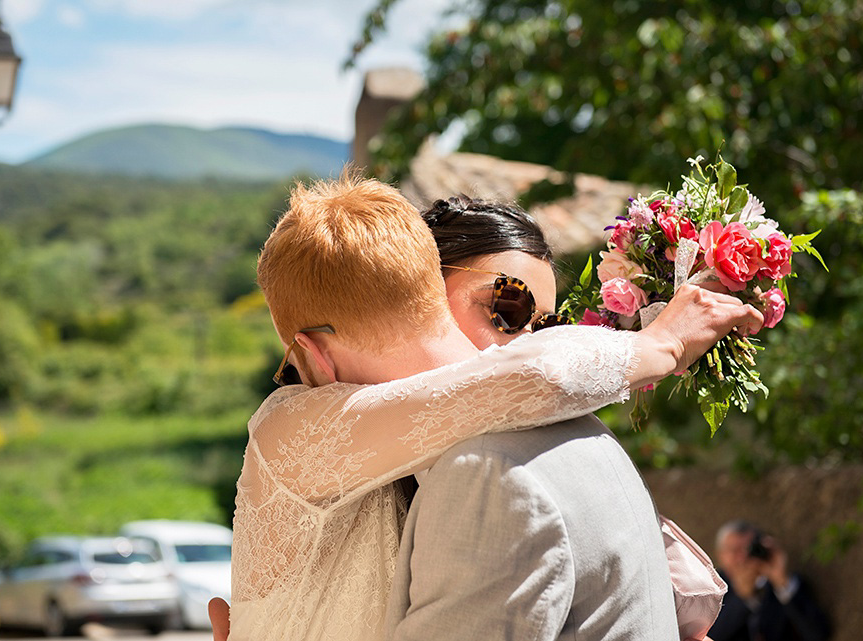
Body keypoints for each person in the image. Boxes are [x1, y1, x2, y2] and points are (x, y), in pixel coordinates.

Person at [222, 174, 762, 641]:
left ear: (310, 354)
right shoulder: (297, 430)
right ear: (431, 287)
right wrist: (656, 345)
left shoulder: (494, 470)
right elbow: (534, 375)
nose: (524, 342)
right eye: (507, 306)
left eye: (549, 328)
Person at [709, 521, 830, 641]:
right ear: (721, 556)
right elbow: (705, 636)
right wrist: (744, 599)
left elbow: (817, 633)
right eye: (735, 551)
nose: (743, 557)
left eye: (749, 549)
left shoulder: (784, 586)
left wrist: (782, 583)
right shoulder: (710, 589)